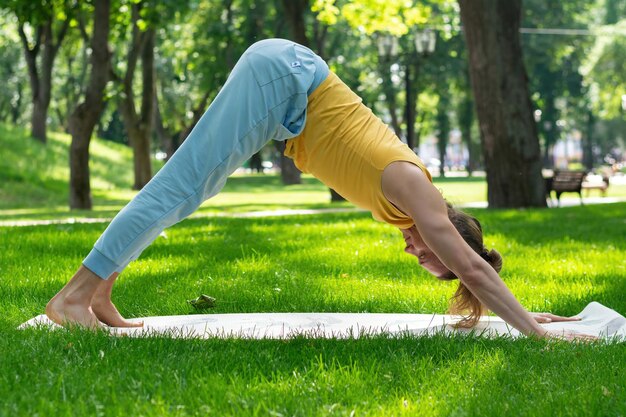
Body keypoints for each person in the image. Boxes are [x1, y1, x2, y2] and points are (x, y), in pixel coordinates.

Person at [46, 39, 586, 339]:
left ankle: (98, 292)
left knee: (185, 192)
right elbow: (470, 268)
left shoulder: (409, 205)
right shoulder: (415, 190)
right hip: (283, 81)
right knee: (179, 188)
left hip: (287, 91)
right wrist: (538, 340)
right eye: (428, 254)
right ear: (448, 237)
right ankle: (73, 296)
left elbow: (473, 273)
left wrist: (523, 311)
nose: (413, 251)